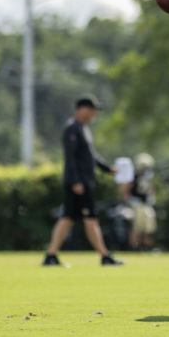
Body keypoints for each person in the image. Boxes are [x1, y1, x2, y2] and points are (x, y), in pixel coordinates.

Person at [43, 97, 123, 266]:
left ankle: (51, 255)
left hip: (83, 182)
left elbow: (91, 156)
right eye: (92, 110)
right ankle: (104, 255)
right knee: (89, 218)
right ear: (83, 109)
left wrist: (107, 169)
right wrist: (76, 181)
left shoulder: (83, 129)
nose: (94, 114)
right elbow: (70, 158)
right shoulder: (72, 129)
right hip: (79, 183)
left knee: (68, 218)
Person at [126, 153, 159, 251]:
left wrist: (152, 197)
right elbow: (127, 189)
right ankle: (133, 247)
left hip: (146, 204)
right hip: (137, 204)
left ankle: (146, 247)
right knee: (137, 227)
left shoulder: (148, 177)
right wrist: (128, 201)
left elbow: (151, 189)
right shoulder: (134, 176)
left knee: (149, 228)